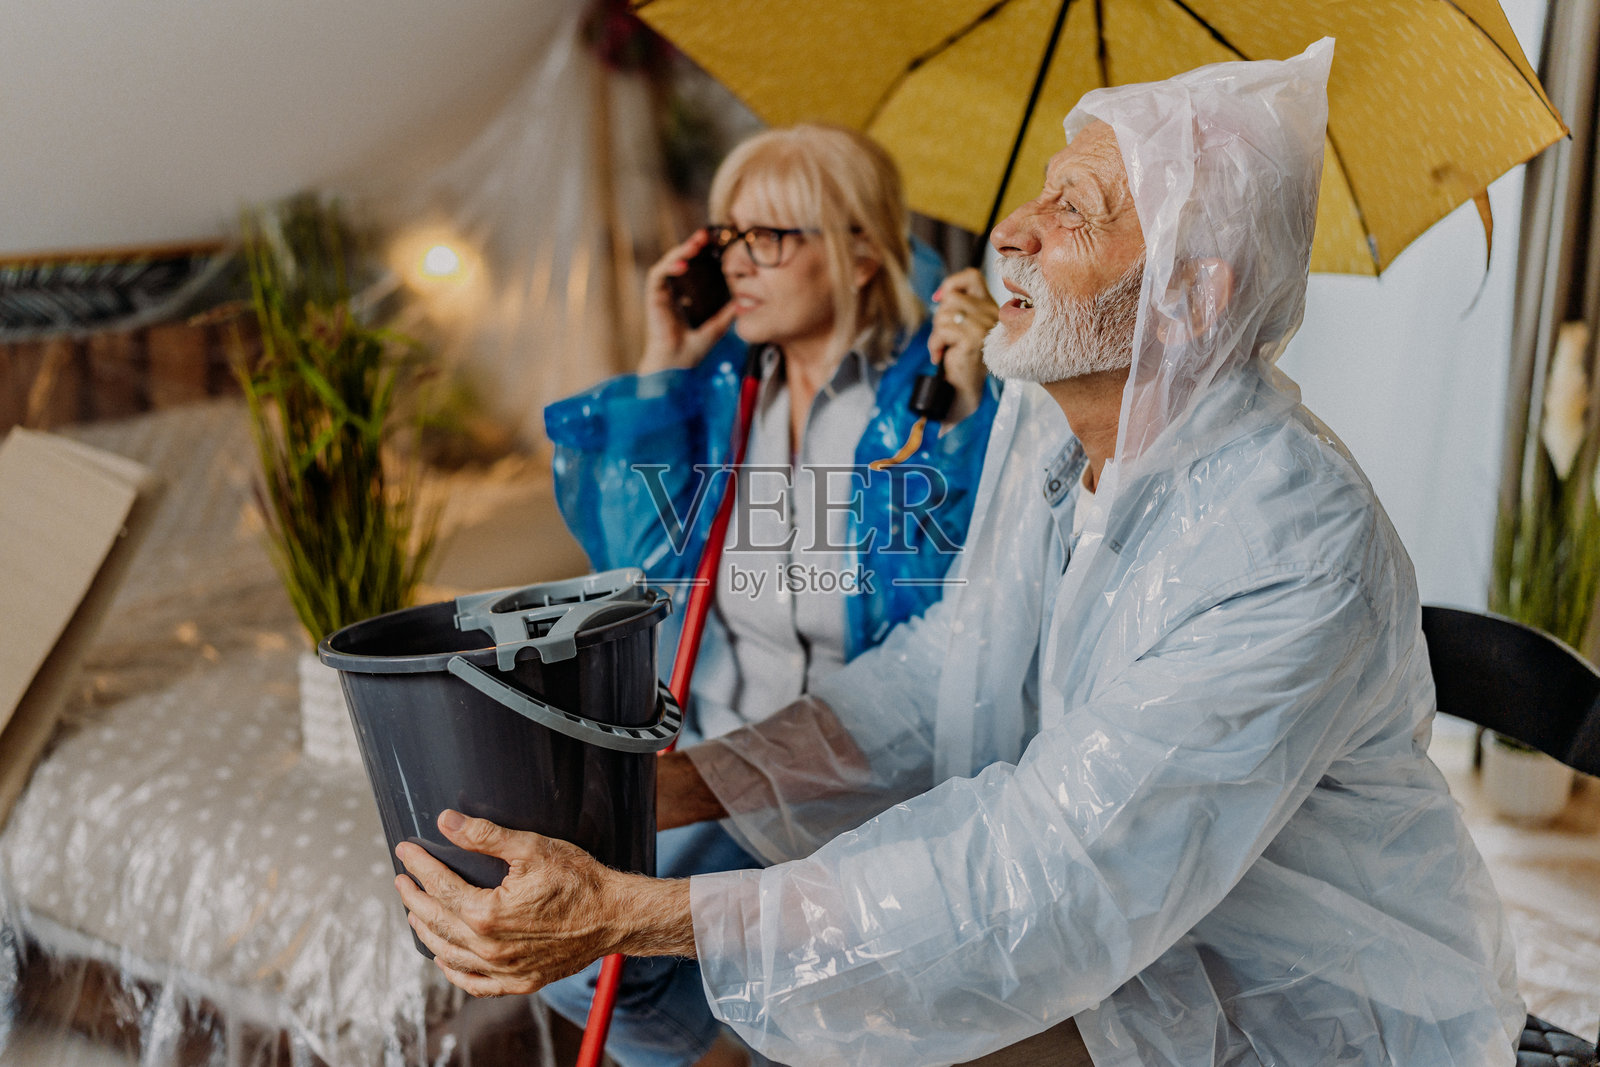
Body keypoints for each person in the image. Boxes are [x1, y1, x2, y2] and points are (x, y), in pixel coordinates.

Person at [396, 42, 1526, 1066]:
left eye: (1073, 213)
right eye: (1033, 196)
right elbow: (936, 668)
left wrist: (629, 908)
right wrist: (679, 781)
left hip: (1288, 1002)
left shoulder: (1285, 543)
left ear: (1190, 295)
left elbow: (1048, 867)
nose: (1012, 233)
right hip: (1137, 939)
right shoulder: (1054, 433)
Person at [538, 123, 1001, 1066]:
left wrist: (964, 418)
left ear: (862, 251)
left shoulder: (936, 392)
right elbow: (637, 571)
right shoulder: (721, 388)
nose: (738, 263)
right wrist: (664, 360)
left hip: (865, 779)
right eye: (727, 237)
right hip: (722, 753)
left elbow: (962, 616)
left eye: (770, 239)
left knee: (799, 997)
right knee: (577, 952)